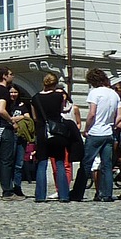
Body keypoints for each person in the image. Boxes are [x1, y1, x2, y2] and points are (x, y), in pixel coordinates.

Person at [70, 68, 119, 203]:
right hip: (108, 132)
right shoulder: (114, 94)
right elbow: (117, 115)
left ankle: (77, 193)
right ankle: (106, 194)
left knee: (86, 163)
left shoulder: (94, 93)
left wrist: (86, 129)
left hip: (96, 132)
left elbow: (92, 113)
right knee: (107, 166)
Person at [0, 68, 24, 201]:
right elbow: (1, 110)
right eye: (11, 74)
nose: (13, 76)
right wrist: (11, 120)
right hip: (3, 128)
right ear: (4, 76)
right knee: (6, 161)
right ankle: (7, 191)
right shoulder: (3, 91)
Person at [31, 72, 71, 203]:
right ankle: (64, 194)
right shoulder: (59, 96)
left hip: (43, 131)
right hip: (57, 131)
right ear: (55, 84)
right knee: (59, 162)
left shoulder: (35, 98)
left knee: (42, 163)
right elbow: (60, 111)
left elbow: (35, 117)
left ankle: (40, 195)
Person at [8, 84, 33, 197]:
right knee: (9, 162)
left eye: (15, 92)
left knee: (19, 163)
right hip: (10, 135)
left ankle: (17, 186)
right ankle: (8, 186)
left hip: (21, 136)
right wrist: (20, 117)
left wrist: (14, 118)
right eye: (11, 92)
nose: (13, 94)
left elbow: (27, 117)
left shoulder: (22, 105)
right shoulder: (6, 105)